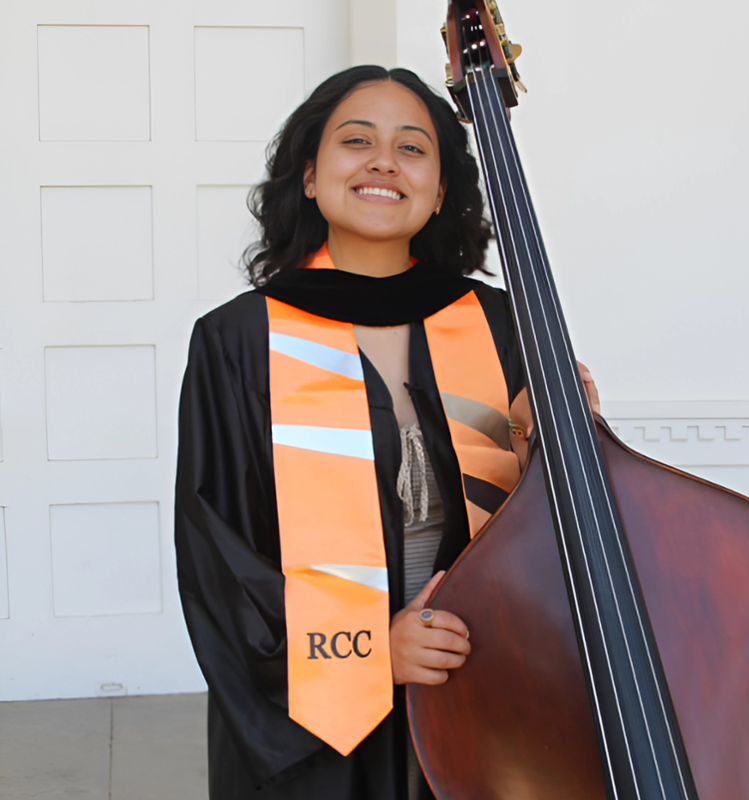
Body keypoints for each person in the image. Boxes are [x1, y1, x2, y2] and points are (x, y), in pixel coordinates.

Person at [175, 65, 600, 800]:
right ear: (311, 177)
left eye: (412, 148)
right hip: (320, 723)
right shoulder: (240, 341)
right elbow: (219, 554)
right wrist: (372, 650)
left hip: (483, 687)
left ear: (439, 191)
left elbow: (558, 530)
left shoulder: (503, 325)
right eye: (356, 141)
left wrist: (560, 446)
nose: (383, 162)